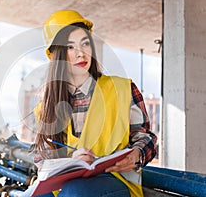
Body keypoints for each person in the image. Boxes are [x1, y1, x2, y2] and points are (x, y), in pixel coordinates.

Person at [26, 10, 157, 197]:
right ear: (57, 56)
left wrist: (137, 154)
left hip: (116, 180)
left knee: (75, 192)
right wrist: (71, 160)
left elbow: (145, 136)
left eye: (85, 43)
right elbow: (41, 156)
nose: (81, 53)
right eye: (70, 47)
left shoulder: (123, 89)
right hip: (67, 183)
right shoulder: (46, 107)